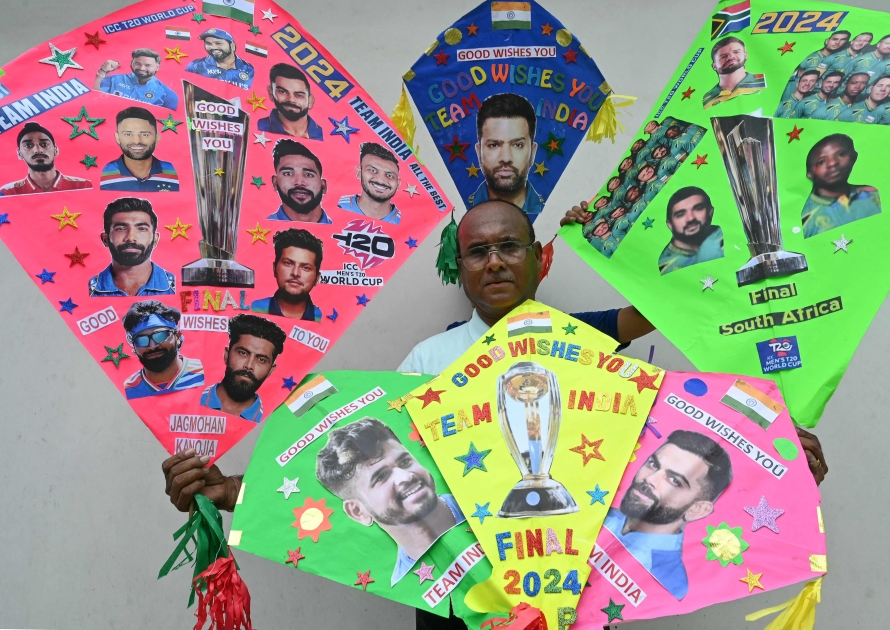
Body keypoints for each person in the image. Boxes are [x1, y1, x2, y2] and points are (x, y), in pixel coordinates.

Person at [162, 199, 828, 630]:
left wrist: (782, 469)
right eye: (477, 252)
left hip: (573, 599)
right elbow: (369, 477)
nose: (495, 262)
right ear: (461, 269)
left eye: (509, 247)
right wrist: (232, 494)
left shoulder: (587, 339)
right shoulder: (427, 358)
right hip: (458, 602)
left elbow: (658, 446)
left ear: (539, 259)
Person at [316, 417, 464, 585]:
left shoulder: (490, 501)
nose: (406, 476)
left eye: (405, 461)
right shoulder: (406, 587)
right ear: (358, 511)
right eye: (381, 477)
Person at [604, 430, 733, 599]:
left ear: (697, 509)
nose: (650, 479)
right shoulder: (592, 513)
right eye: (653, 464)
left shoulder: (669, 584)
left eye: (674, 481)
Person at [468, 93, 545, 219]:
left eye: (517, 145)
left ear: (533, 152)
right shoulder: (458, 214)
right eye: (493, 145)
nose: (506, 158)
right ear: (478, 152)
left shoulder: (554, 213)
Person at [199, 314, 286, 423]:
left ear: (271, 370)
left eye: (261, 360)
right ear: (226, 355)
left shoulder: (272, 423)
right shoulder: (191, 399)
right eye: (243, 353)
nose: (249, 366)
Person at [89, 198, 175, 296]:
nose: (130, 237)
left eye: (142, 229)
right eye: (121, 229)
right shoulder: (87, 291)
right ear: (105, 239)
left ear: (155, 239)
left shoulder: (177, 287)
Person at [801, 134, 881, 238]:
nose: (833, 163)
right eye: (821, 162)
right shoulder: (805, 215)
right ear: (809, 174)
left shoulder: (874, 194)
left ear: (854, 157)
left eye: (841, 154)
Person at [122, 301, 204, 399]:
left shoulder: (204, 375)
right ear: (134, 346)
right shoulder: (127, 391)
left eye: (160, 336)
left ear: (177, 336)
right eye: (142, 340)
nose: (152, 346)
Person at [250, 228, 323, 321]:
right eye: (288, 263)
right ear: (274, 268)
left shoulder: (323, 318)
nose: (295, 273)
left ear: (317, 278)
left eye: (306, 268)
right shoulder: (253, 309)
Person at [100, 107, 179, 191]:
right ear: (117, 137)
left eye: (145, 134)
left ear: (157, 138)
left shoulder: (173, 171)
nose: (137, 141)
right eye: (128, 134)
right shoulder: (104, 173)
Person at [1, 122, 92, 195]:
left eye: (44, 144)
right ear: (19, 153)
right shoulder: (8, 193)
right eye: (28, 145)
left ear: (56, 150)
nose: (38, 150)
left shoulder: (82, 186)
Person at [657, 187, 724, 275]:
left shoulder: (726, 235)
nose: (691, 218)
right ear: (670, 224)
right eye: (680, 214)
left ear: (710, 211)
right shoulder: (665, 266)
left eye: (698, 208)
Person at [267, 139, 331, 223]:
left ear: (323, 186)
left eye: (308, 175)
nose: (299, 182)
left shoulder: (341, 229)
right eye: (288, 174)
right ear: (275, 182)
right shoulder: (262, 228)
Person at [94, 48, 179, 110]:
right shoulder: (113, 80)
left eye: (148, 65)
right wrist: (102, 71)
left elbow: (168, 122)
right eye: (137, 63)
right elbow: (94, 97)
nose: (142, 68)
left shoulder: (168, 95)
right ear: (132, 63)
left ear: (157, 67)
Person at [338, 142, 401, 224]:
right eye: (373, 171)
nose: (381, 180)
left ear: (398, 184)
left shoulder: (407, 224)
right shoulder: (336, 207)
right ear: (359, 173)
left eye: (389, 175)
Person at [256, 63, 323, 140]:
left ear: (310, 101)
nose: (291, 100)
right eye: (282, 92)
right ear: (271, 93)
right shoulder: (258, 127)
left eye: (299, 95)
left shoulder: (323, 135)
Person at [780, 30, 851, 100]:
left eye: (842, 40)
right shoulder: (809, 55)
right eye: (835, 39)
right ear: (827, 41)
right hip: (794, 91)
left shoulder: (841, 61)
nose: (837, 42)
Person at [702, 36, 766, 109]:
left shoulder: (764, 82)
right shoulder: (706, 100)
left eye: (736, 52)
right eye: (723, 56)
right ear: (714, 66)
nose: (731, 57)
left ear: (745, 55)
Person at [184, 28, 255, 90]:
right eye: (208, 43)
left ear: (232, 46)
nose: (213, 47)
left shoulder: (249, 69)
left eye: (218, 43)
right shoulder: (196, 66)